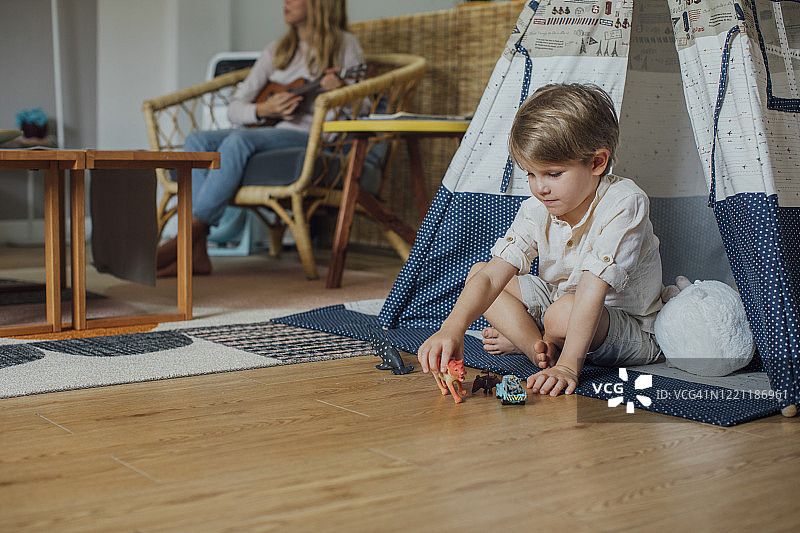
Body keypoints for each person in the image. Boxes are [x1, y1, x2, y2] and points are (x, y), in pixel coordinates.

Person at [417, 83, 664, 396]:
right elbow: (492, 278)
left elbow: (591, 289)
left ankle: (558, 349)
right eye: (531, 174)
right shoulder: (537, 208)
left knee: (560, 313)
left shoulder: (625, 202)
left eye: (553, 174)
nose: (540, 188)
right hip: (562, 302)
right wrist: (452, 328)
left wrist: (569, 367)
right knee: (479, 274)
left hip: (628, 328)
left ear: (596, 163)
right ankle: (537, 348)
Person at [156, 0, 363, 277]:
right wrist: (263, 110)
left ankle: (189, 234)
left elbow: (361, 108)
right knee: (197, 141)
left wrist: (339, 90)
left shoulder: (344, 46)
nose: (286, 2)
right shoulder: (277, 50)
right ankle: (198, 253)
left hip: (310, 136)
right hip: (268, 133)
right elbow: (235, 107)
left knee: (239, 141)